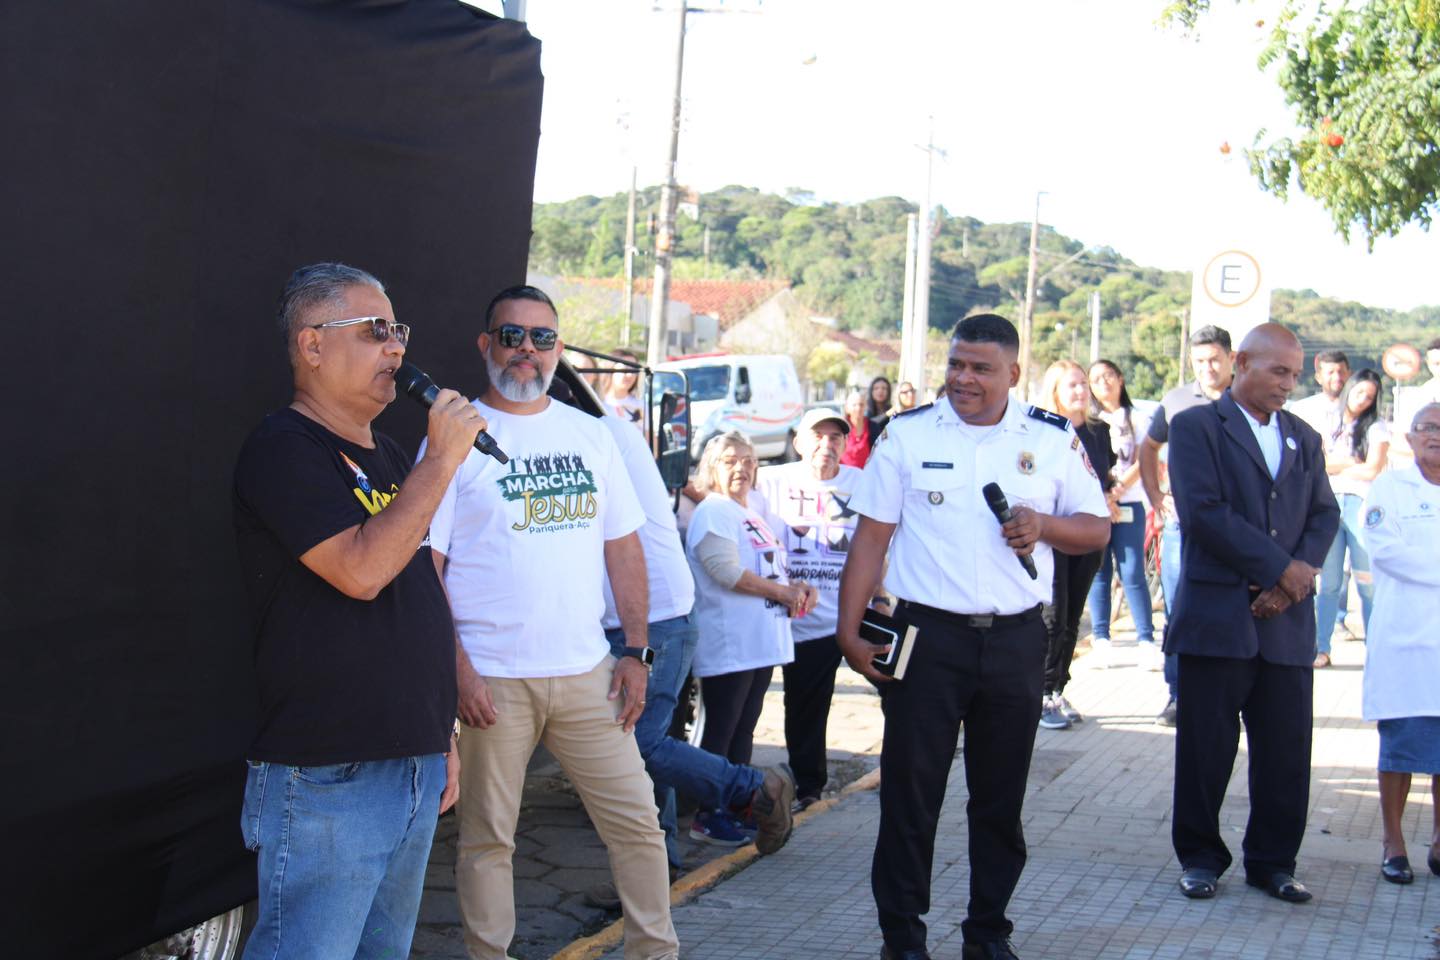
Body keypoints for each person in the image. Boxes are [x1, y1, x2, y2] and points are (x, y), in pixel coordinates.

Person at [837, 314, 1109, 960]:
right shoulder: (906, 435)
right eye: (956, 364)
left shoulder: (1049, 439)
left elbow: (1097, 527)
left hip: (1014, 641)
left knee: (999, 800)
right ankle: (902, 938)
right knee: (910, 795)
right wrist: (848, 632)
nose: (962, 377)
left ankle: (988, 934)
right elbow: (871, 538)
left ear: (1013, 374)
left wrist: (1043, 525)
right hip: (926, 638)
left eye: (980, 368)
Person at [233, 263, 485, 959]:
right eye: (375, 332)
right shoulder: (286, 448)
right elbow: (361, 571)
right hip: (330, 772)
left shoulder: (394, 456)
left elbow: (418, 591)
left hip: (409, 759)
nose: (397, 350)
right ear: (312, 345)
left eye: (398, 331)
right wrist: (441, 462)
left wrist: (441, 733)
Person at [427, 285, 679, 960]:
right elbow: (430, 568)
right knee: (487, 840)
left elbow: (623, 548)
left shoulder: (591, 434)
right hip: (493, 682)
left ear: (558, 349)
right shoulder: (456, 438)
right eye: (512, 336)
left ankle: (655, 953)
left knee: (638, 826)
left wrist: (635, 652)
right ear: (487, 346)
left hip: (585, 674)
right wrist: (458, 671)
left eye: (542, 338)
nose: (527, 351)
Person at [586, 409, 796, 909]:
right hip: (650, 617)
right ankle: (655, 873)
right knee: (643, 746)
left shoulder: (591, 430)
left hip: (650, 618)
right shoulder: (603, 427)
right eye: (731, 459)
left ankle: (752, 789)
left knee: (640, 745)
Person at [1167, 323, 1340, 905]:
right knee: (1204, 751)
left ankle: (1273, 862)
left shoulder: (1304, 437)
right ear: (1241, 363)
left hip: (1286, 623)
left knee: (1287, 753)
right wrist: (1281, 570)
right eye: (1279, 372)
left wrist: (1295, 580)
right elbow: (1204, 514)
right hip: (1218, 618)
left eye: (1295, 373)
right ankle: (1199, 856)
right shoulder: (1197, 428)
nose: (1288, 384)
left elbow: (1324, 515)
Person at [685, 431, 815, 843]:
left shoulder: (750, 511)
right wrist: (783, 593)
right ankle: (707, 814)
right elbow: (725, 571)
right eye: (729, 461)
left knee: (744, 729)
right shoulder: (714, 512)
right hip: (730, 643)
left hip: (759, 643)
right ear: (711, 469)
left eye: (747, 460)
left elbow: (773, 567)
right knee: (720, 731)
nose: (740, 467)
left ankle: (734, 805)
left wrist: (798, 587)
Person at [753, 407, 869, 810]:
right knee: (792, 706)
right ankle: (790, 789)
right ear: (798, 441)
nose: (827, 445)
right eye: (817, 436)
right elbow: (718, 488)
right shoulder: (771, 480)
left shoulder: (862, 484)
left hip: (844, 612)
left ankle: (907, 770)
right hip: (786, 614)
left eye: (836, 437)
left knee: (897, 685)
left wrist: (884, 597)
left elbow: (886, 541)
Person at [1138, 324, 1235, 726]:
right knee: (1179, 611)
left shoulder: (1248, 398)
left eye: (1214, 359)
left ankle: (1229, 697)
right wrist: (1157, 497)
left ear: (1231, 358)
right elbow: (1148, 447)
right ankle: (1178, 695)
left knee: (1233, 610)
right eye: (1199, 361)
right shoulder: (1176, 400)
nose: (1207, 368)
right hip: (1183, 526)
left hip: (1235, 526)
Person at [1361, 402, 1440, 885]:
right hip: (1406, 643)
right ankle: (1394, 841)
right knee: (1402, 749)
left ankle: (1438, 840)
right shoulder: (1390, 486)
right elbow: (1386, 552)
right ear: (1410, 438)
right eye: (1428, 428)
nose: (1436, 436)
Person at [1037, 360, 1114, 730]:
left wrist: (1109, 499)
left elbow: (1105, 477)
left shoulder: (1100, 431)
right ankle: (1041, 691)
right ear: (1055, 391)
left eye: (1084, 384)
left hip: (1089, 535)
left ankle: (1058, 688)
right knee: (1052, 616)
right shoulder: (1044, 430)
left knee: (1072, 619)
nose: (1081, 391)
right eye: (1072, 385)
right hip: (1053, 534)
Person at [1086, 359, 1161, 670]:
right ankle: (1101, 639)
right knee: (1099, 572)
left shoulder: (1139, 418)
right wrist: (1103, 496)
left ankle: (1146, 638)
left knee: (1131, 572)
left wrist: (1116, 492)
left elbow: (1145, 460)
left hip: (1128, 503)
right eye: (1096, 378)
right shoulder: (1089, 421)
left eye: (1109, 376)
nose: (1104, 383)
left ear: (1120, 378)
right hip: (1094, 505)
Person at [1312, 369, 1390, 666]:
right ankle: (1321, 647)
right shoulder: (1327, 420)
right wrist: (1350, 463)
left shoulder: (1376, 428)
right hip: (1328, 504)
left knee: (1367, 582)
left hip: (1361, 504)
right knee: (1328, 582)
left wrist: (1337, 465)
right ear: (1350, 389)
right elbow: (1318, 464)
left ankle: (1377, 648)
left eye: (1369, 397)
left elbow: (1372, 469)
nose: (1363, 400)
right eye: (1360, 393)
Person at [603, 347, 645, 428]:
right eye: (625, 370)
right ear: (611, 370)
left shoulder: (641, 405)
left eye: (634, 371)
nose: (630, 375)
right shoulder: (598, 403)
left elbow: (649, 438)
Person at [842, 390, 884, 469]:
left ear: (866, 407)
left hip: (867, 476)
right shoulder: (840, 427)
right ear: (847, 408)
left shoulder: (873, 427)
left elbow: (880, 453)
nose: (858, 408)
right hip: (844, 476)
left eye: (861, 404)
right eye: (854, 405)